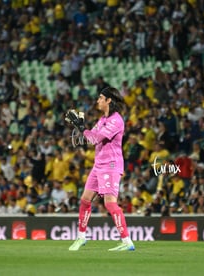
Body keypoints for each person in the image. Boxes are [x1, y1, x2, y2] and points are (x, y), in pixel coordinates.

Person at [65, 87, 135, 251]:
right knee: (85, 200)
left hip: (111, 165)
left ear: (109, 100)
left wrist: (82, 128)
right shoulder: (103, 119)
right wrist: (82, 127)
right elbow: (90, 138)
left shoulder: (116, 120)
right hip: (98, 165)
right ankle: (81, 237)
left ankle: (127, 241)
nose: (97, 100)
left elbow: (96, 138)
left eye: (101, 98)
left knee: (110, 204)